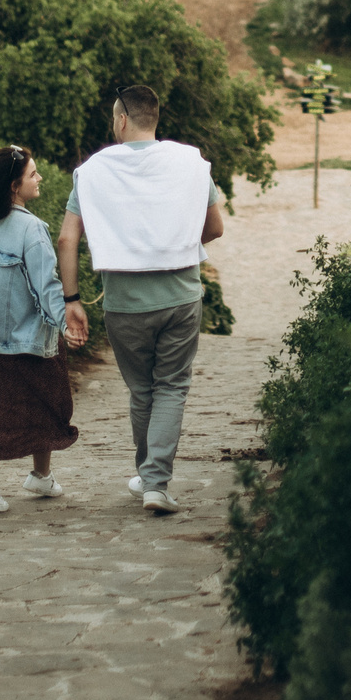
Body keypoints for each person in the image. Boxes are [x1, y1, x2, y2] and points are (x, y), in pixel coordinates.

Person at [59, 84, 223, 516]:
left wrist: (72, 298)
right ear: (154, 118)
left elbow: (66, 238)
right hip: (180, 296)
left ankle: (147, 475)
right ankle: (155, 482)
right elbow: (215, 228)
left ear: (121, 120)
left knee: (142, 390)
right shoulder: (191, 162)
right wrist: (181, 242)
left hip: (124, 302)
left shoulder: (91, 171)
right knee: (171, 387)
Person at [0, 143, 83, 514]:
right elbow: (47, 286)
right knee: (46, 402)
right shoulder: (31, 229)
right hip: (26, 338)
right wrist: (66, 321)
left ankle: (38, 477)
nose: (39, 179)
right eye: (32, 174)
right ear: (13, 186)